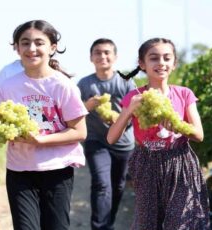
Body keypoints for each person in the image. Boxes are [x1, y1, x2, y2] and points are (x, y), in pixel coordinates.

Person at [0, 19, 88, 230]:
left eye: (39, 43)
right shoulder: (8, 86)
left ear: (52, 48)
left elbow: (79, 131)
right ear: (17, 48)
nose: (32, 49)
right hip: (19, 170)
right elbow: (1, 127)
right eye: (25, 43)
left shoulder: (62, 85)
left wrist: (41, 140)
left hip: (57, 169)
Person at [107, 38, 210, 229]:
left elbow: (199, 134)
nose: (161, 63)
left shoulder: (184, 94)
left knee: (181, 222)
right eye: (154, 58)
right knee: (147, 223)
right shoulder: (134, 97)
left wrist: (177, 126)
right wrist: (130, 110)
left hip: (180, 163)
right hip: (147, 163)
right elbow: (112, 137)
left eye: (166, 58)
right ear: (142, 64)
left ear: (174, 63)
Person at [77, 38, 136, 230]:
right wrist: (87, 106)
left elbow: (136, 112)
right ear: (91, 57)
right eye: (98, 53)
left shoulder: (126, 82)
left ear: (115, 57)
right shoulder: (85, 84)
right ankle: (100, 227)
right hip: (97, 141)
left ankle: (108, 223)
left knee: (118, 186)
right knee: (102, 184)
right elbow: (74, 113)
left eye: (107, 52)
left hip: (123, 143)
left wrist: (119, 120)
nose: (102, 56)